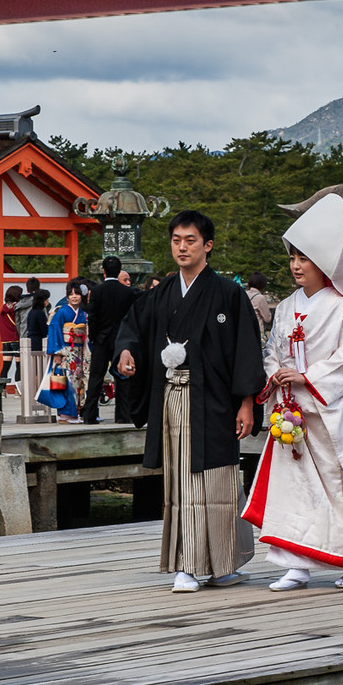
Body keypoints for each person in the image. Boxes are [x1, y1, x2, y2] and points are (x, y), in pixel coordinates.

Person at [243, 194, 343, 591]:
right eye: (293, 258)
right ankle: (296, 563)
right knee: (295, 488)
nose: (295, 266)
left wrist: (306, 377)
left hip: (328, 415)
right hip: (292, 414)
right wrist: (276, 375)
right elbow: (273, 350)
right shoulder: (288, 305)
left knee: (341, 484)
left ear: (322, 264)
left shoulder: (341, 308)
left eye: (303, 259)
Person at [116, 211, 265, 593]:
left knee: (220, 479)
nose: (182, 247)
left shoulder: (229, 294)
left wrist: (247, 402)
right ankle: (188, 564)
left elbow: (247, 351)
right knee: (184, 480)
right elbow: (132, 327)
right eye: (176, 240)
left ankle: (223, 564)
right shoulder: (160, 294)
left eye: (191, 240)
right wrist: (127, 351)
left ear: (207, 246)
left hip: (215, 401)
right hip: (174, 398)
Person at [82, 256, 139, 424]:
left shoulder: (98, 291)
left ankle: (90, 415)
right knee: (122, 376)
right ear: (119, 270)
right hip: (121, 340)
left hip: (101, 338)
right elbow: (131, 318)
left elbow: (93, 317)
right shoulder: (128, 292)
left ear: (104, 271)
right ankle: (123, 415)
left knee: (96, 377)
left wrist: (93, 337)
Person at [45, 279, 89, 423]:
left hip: (81, 350)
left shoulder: (83, 313)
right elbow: (55, 330)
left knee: (81, 380)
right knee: (68, 380)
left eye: (77, 294)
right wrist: (57, 353)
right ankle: (66, 414)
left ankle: (79, 411)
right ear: (67, 297)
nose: (74, 297)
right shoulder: (62, 312)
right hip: (66, 351)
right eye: (71, 294)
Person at [0, 284, 22, 381]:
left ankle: (2, 389)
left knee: (5, 367)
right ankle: (17, 390)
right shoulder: (16, 308)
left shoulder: (3, 308)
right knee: (19, 366)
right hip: (16, 339)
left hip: (5, 341)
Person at [246, 271, 274, 335]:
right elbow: (267, 318)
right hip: (256, 331)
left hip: (244, 330)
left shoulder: (244, 294)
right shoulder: (260, 298)